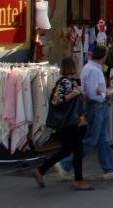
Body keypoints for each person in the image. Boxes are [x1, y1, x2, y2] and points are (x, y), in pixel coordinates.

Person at [56, 46, 113, 181]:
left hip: (97, 107)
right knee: (91, 139)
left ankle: (109, 169)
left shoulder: (90, 68)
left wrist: (102, 93)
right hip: (95, 107)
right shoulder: (93, 70)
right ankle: (65, 164)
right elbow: (93, 93)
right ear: (103, 57)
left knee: (103, 139)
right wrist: (106, 95)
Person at [35, 58, 92, 191]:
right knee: (78, 149)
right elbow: (57, 101)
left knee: (66, 150)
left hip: (71, 121)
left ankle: (40, 170)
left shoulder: (71, 82)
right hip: (68, 123)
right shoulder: (65, 82)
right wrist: (75, 93)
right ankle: (79, 180)